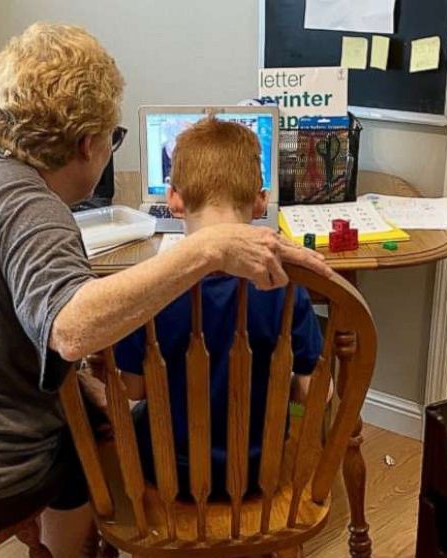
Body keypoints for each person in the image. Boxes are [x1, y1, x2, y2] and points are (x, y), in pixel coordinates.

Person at [0, 21, 330, 557]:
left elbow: (7, 332)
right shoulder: (33, 210)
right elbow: (71, 330)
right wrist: (210, 248)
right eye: (113, 139)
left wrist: (87, 383)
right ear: (87, 145)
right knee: (90, 447)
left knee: (100, 410)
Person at [113, 117, 328, 495]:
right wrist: (281, 383)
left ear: (174, 200)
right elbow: (317, 392)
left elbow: (133, 388)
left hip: (170, 472)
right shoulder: (285, 285)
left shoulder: (148, 286)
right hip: (259, 469)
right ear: (261, 200)